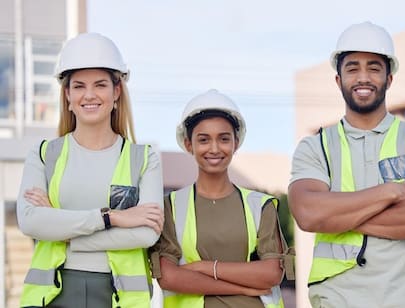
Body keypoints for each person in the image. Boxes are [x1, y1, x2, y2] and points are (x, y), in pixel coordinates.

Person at [288, 21, 405, 308]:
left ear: (389, 79)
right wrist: (388, 193)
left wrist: (338, 218)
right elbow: (307, 215)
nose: (363, 78)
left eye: (374, 68)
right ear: (338, 80)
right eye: (352, 68)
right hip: (339, 297)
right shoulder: (314, 147)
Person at [16, 32, 165, 308]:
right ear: (68, 95)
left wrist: (62, 228)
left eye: (100, 85)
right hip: (52, 295)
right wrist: (113, 218)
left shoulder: (144, 159)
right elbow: (31, 222)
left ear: (116, 92)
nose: (89, 95)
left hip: (117, 296)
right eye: (79, 86)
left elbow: (147, 232)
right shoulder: (43, 154)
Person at [149, 89, 293, 308]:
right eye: (204, 139)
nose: (214, 148)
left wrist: (205, 267)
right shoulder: (171, 207)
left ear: (236, 142)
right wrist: (242, 287)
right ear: (189, 145)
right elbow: (169, 278)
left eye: (224, 139)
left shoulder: (260, 205)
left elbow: (271, 273)